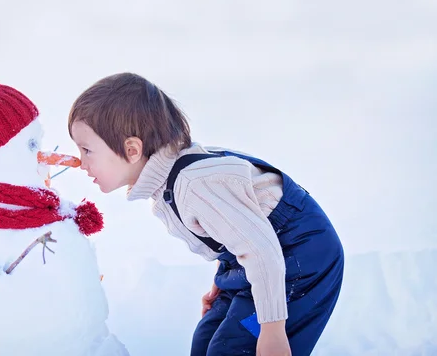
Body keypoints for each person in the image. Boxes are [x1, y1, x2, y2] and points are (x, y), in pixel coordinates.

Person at [68, 72, 344, 356]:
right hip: (262, 257)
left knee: (235, 348)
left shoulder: (194, 185)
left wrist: (272, 331)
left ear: (132, 149)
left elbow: (262, 250)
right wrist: (223, 279)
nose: (79, 161)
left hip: (301, 258)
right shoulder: (167, 184)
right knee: (206, 342)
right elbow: (235, 229)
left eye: (87, 150)